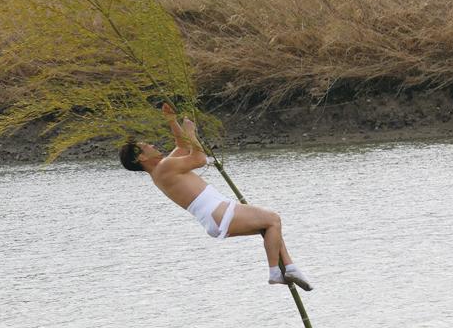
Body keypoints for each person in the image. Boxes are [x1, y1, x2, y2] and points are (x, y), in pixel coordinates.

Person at [119, 104, 313, 290]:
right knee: (272, 219)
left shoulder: (161, 170)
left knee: (270, 226)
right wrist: (191, 132)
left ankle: (289, 268)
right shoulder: (163, 167)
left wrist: (172, 121)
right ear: (141, 158)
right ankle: (274, 272)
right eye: (146, 146)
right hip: (218, 212)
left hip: (215, 215)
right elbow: (199, 159)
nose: (152, 145)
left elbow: (183, 147)